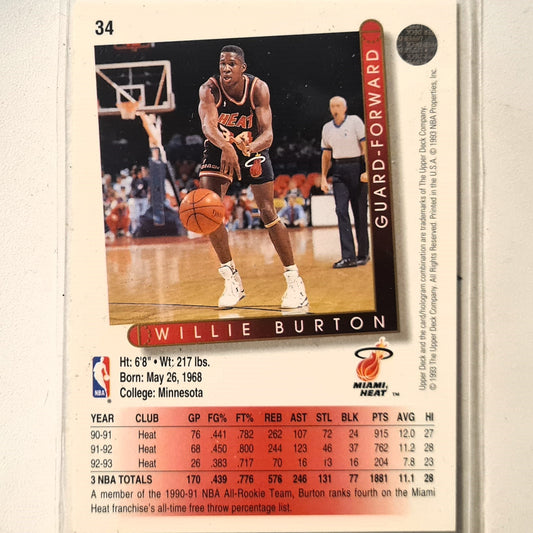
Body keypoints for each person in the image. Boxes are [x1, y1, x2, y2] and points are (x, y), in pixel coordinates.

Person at [198, 44, 308, 309]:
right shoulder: (209, 89)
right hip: (220, 147)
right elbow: (208, 127)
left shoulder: (258, 88)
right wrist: (227, 147)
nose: (226, 68)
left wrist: (248, 148)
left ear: (243, 68)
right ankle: (231, 280)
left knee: (268, 211)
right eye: (222, 63)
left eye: (232, 64)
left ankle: (295, 281)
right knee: (208, 209)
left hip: (252, 145)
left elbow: (268, 135)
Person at [320, 96, 369, 268]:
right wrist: (323, 177)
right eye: (332, 106)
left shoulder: (355, 122)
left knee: (359, 212)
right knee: (341, 210)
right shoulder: (327, 128)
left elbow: (366, 148)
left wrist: (367, 170)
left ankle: (363, 254)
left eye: (338, 105)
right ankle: (348, 257)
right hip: (339, 170)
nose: (335, 108)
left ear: (345, 108)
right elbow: (326, 155)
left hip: (357, 167)